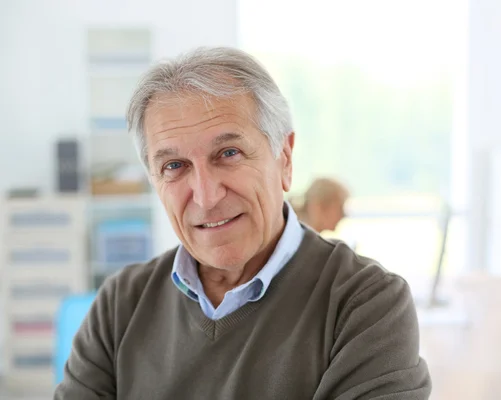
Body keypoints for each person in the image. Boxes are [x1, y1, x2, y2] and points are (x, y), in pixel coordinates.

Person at [54, 47, 431, 399]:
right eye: (174, 166)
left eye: (228, 153)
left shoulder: (365, 304)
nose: (205, 195)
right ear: (155, 179)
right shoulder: (121, 304)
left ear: (284, 158)